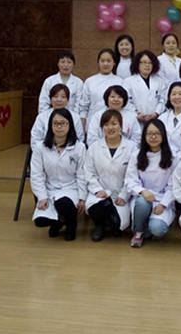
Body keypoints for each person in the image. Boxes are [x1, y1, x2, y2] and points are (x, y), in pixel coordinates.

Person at [30, 108, 87, 241]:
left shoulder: (79, 147)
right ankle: (57, 222)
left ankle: (71, 224)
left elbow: (82, 174)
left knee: (63, 204)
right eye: (55, 123)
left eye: (63, 123)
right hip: (50, 188)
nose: (59, 127)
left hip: (71, 188)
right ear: (50, 126)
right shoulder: (40, 148)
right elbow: (37, 174)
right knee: (40, 221)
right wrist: (42, 197)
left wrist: (82, 197)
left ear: (69, 125)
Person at [84, 109, 137, 241]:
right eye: (106, 124)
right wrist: (98, 190)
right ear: (102, 127)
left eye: (114, 124)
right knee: (95, 207)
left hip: (121, 194)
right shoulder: (94, 147)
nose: (110, 128)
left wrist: (123, 195)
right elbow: (89, 173)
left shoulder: (131, 147)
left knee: (119, 225)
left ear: (121, 126)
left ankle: (112, 222)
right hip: (100, 193)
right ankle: (99, 225)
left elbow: (133, 176)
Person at [125, 119, 176, 247]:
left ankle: (148, 228)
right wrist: (143, 191)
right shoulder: (137, 155)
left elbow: (174, 186)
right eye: (150, 133)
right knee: (142, 202)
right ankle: (138, 232)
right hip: (142, 198)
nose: (153, 137)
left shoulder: (172, 157)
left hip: (162, 199)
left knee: (158, 229)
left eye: (157, 133)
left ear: (163, 135)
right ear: (144, 136)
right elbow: (130, 180)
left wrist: (163, 204)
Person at [79, 48, 122, 130]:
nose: (105, 64)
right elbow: (84, 107)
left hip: (114, 124)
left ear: (114, 63)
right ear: (98, 63)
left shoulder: (120, 82)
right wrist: (82, 126)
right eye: (102, 61)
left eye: (109, 61)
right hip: (92, 124)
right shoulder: (89, 81)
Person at [122, 50, 167, 125]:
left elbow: (163, 100)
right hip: (135, 120)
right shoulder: (128, 82)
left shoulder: (160, 82)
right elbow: (126, 101)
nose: (147, 65)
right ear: (137, 64)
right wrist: (136, 113)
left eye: (150, 63)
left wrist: (156, 113)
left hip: (155, 120)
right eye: (144, 62)